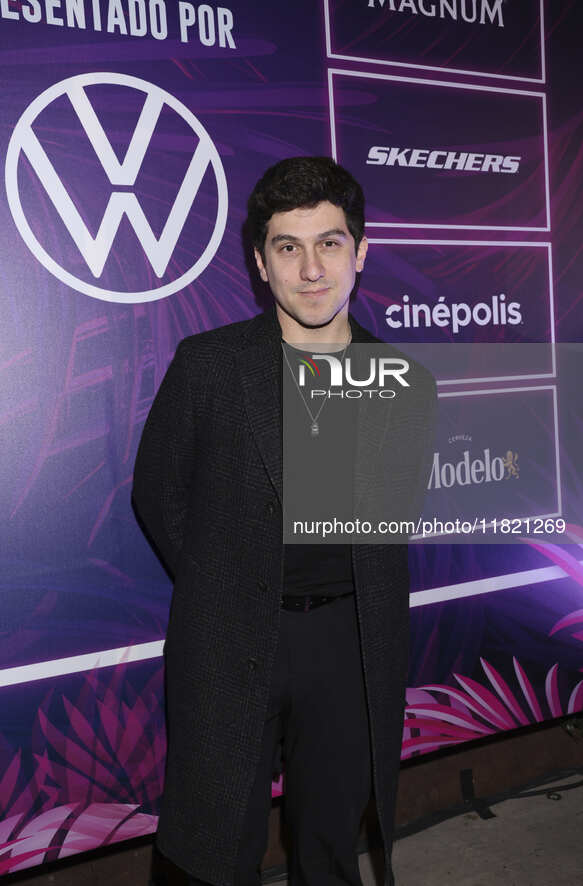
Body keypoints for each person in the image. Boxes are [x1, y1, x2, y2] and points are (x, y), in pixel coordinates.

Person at [132, 156, 437, 886]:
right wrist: (225, 579)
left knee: (331, 839)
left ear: (359, 254)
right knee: (211, 844)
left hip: (349, 640)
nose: (310, 270)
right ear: (260, 263)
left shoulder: (403, 382)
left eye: (329, 243)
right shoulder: (208, 365)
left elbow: (394, 516)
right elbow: (158, 495)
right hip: (232, 629)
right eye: (287, 247)